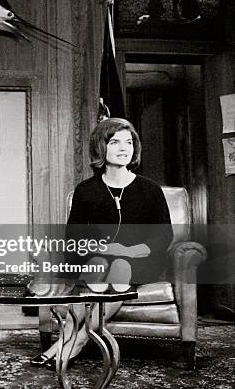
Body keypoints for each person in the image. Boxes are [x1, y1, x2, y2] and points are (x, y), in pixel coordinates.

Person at [32, 117, 173, 368]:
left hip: (140, 260)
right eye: (115, 142)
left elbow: (164, 235)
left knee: (120, 267)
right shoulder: (86, 190)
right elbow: (74, 237)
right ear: (101, 147)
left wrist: (130, 250)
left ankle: (73, 341)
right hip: (98, 257)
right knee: (99, 268)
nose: (124, 148)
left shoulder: (150, 189)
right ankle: (70, 339)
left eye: (129, 142)